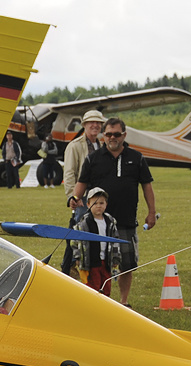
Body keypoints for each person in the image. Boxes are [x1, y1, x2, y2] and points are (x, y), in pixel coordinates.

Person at [71, 117, 157, 307]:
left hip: (125, 221)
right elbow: (82, 182)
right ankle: (98, 301)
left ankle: (124, 302)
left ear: (124, 135)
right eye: (108, 134)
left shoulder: (136, 158)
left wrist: (152, 212)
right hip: (97, 223)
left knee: (126, 264)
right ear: (103, 136)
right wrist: (74, 199)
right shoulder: (93, 159)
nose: (112, 137)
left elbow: (147, 186)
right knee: (96, 263)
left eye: (116, 134)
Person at [61, 109, 106, 276]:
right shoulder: (74, 146)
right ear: (85, 125)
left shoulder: (101, 145)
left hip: (98, 196)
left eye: (98, 123)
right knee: (77, 233)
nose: (95, 125)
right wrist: (73, 197)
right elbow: (70, 173)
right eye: (91, 122)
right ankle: (68, 268)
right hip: (83, 196)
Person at [71, 187, 123, 296]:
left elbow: (115, 240)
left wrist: (116, 258)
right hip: (90, 263)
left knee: (106, 287)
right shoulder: (84, 222)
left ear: (106, 204)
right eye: (95, 203)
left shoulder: (110, 221)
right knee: (93, 288)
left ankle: (104, 309)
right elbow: (75, 241)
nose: (98, 206)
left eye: (101, 203)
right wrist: (77, 257)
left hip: (106, 262)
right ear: (88, 205)